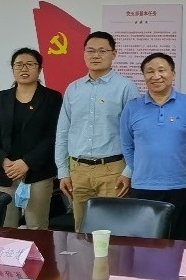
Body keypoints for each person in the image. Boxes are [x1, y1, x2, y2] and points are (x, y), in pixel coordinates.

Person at [55, 31, 138, 232]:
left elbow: (136, 134)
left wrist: (128, 171)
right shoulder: (73, 88)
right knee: (81, 231)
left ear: (114, 54)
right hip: (78, 171)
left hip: (113, 170)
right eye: (90, 51)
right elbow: (63, 132)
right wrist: (63, 171)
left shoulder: (126, 87)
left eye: (102, 51)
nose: (96, 55)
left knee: (113, 232)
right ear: (84, 53)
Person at [119, 52, 186, 240]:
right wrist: (140, 168)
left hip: (182, 186)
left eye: (162, 70)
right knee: (145, 243)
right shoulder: (132, 107)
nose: (156, 76)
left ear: (173, 74)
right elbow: (127, 146)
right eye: (150, 71)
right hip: (143, 186)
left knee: (180, 241)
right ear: (144, 76)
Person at [0, 48, 63, 228]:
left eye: (30, 64)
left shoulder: (52, 98)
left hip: (38, 173)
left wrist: (27, 163)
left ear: (39, 68)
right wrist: (4, 161)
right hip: (4, 172)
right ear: (12, 68)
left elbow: (54, 136)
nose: (24, 68)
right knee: (2, 228)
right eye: (19, 64)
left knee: (36, 227)